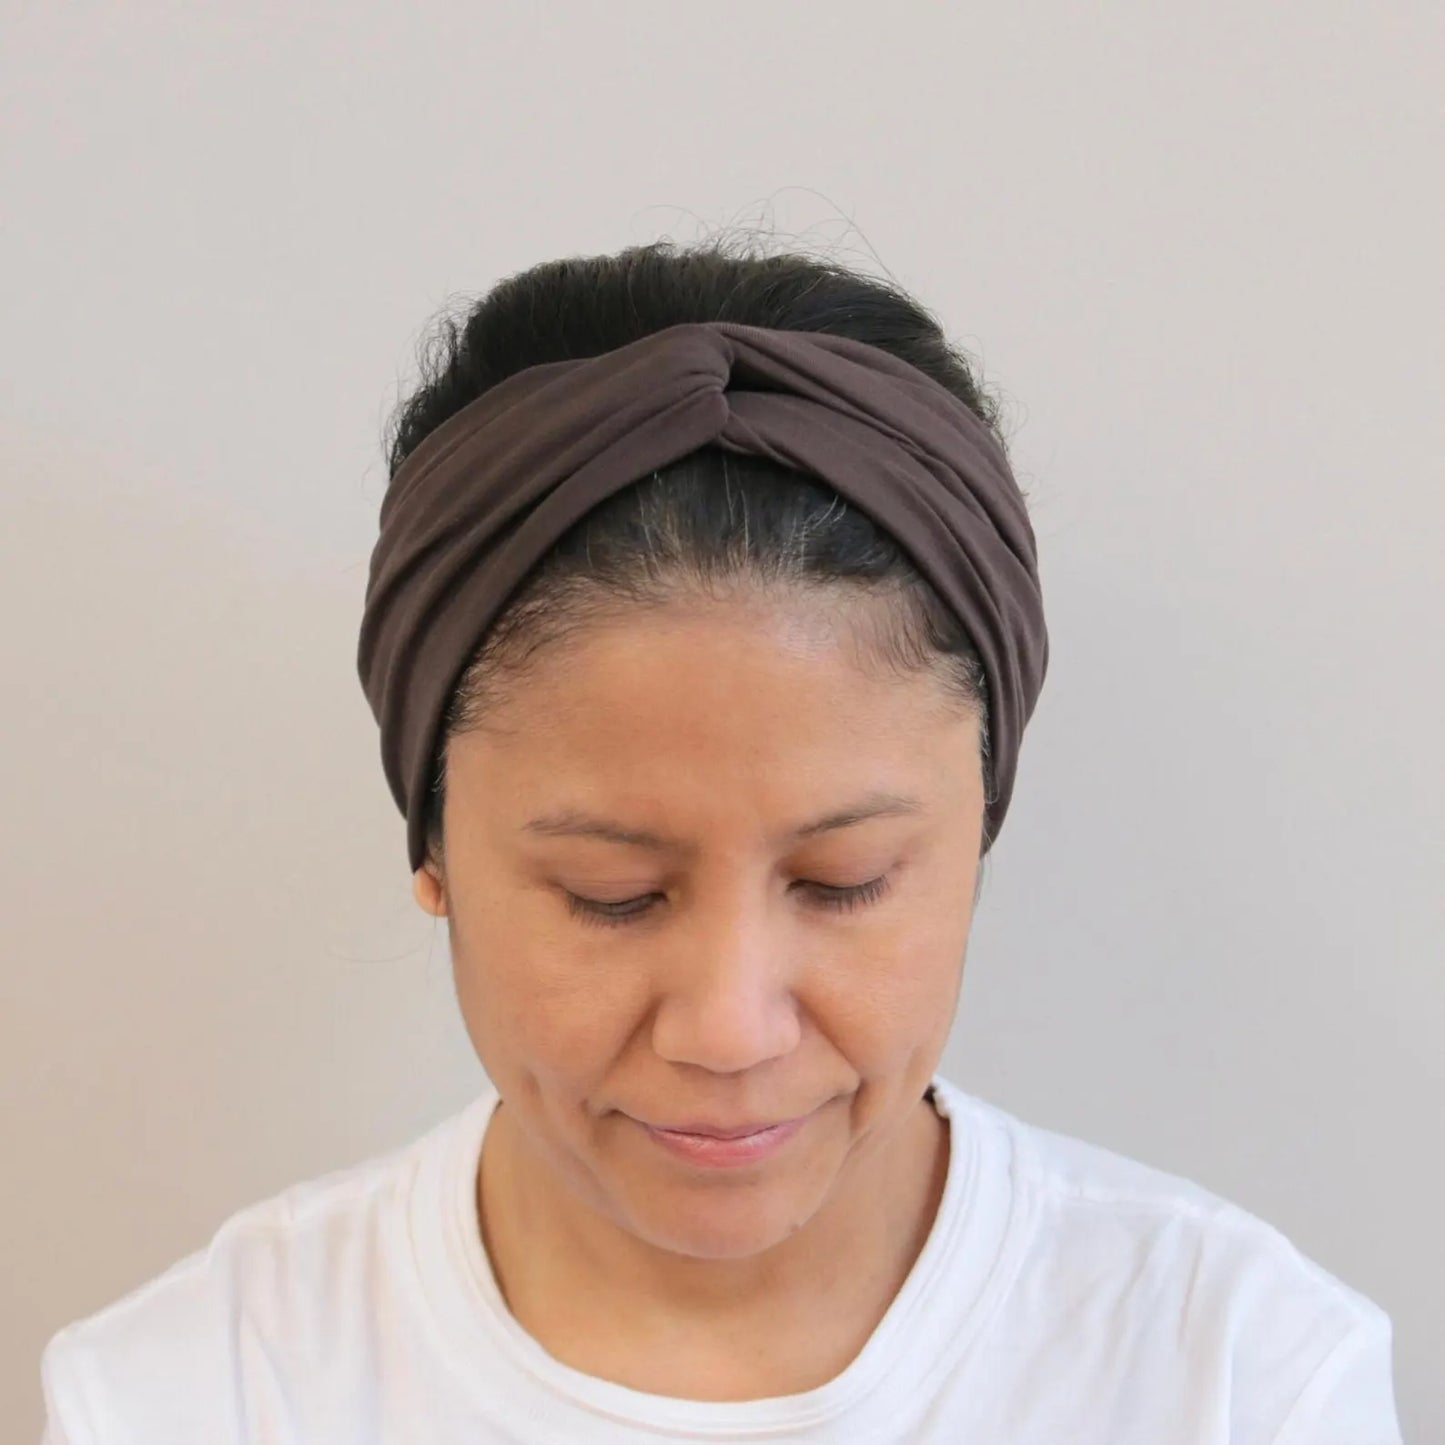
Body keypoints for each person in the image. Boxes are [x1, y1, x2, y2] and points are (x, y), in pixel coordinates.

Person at [39, 237, 1403, 1443]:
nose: (730, 1028)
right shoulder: (191, 1395)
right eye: (612, 894)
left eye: (844, 880)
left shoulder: (1236, 1378)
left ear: (977, 832)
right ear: (436, 854)